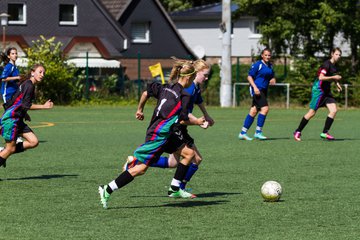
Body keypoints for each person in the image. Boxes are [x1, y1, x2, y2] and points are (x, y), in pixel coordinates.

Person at [98, 60, 205, 209]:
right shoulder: (184, 96)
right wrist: (198, 121)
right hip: (159, 135)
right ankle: (107, 189)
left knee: (189, 154)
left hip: (164, 132)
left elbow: (145, 93)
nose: (192, 82)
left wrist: (139, 109)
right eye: (192, 79)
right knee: (141, 169)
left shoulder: (165, 87)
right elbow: (183, 120)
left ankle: (174, 188)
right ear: (188, 78)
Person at [124, 59, 214, 191]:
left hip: (177, 127)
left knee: (173, 163)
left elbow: (199, 101)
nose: (206, 78)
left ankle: (136, 162)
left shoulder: (194, 87)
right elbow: (183, 114)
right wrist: (197, 122)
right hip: (177, 127)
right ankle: (178, 188)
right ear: (196, 73)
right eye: (204, 75)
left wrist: (206, 116)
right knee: (196, 157)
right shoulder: (187, 89)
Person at [0, 64, 54, 168]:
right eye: (40, 72)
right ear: (32, 72)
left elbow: (18, 103)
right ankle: (4, 152)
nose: (42, 75)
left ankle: (3, 151)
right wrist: (43, 106)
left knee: (34, 142)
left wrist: (25, 114)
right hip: (12, 120)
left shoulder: (29, 84)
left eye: (44, 73)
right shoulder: (29, 85)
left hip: (17, 119)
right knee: (10, 149)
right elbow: (26, 105)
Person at [293, 48, 342, 141]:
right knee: (312, 113)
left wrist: (337, 84)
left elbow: (333, 77)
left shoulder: (334, 66)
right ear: (332, 54)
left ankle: (324, 133)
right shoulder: (326, 64)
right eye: (336, 54)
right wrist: (334, 77)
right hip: (319, 90)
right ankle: (298, 131)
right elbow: (321, 77)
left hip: (326, 91)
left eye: (340, 55)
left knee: (334, 110)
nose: (338, 56)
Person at [238, 48, 276, 140]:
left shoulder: (270, 66)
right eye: (265, 55)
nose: (267, 57)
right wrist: (254, 87)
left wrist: (273, 79)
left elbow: (271, 76)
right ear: (262, 55)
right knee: (265, 109)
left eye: (269, 55)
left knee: (253, 111)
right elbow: (249, 76)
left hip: (264, 90)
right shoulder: (258, 65)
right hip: (257, 89)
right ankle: (258, 132)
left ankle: (242, 133)